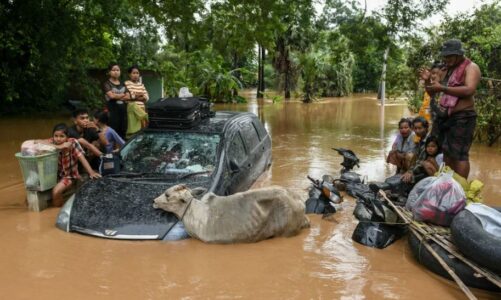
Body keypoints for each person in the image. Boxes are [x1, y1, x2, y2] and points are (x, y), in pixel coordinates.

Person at [423, 39, 481, 179]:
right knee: (446, 152)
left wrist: (443, 88)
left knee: (459, 155)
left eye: (450, 56)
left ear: (459, 54)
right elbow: (432, 92)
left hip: (463, 117)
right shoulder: (445, 70)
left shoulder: (471, 67)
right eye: (445, 56)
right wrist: (426, 81)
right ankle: (447, 185)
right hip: (444, 116)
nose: (447, 59)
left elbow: (469, 90)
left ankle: (461, 189)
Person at [47, 123, 101, 206]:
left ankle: (57, 213)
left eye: (62, 136)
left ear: (67, 137)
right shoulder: (52, 142)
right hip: (56, 176)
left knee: (56, 191)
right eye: (56, 136)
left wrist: (91, 172)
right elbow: (31, 143)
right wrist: (58, 147)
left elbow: (81, 158)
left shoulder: (73, 143)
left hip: (70, 176)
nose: (58, 139)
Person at [104, 63, 130, 139]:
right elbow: (111, 96)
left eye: (118, 70)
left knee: (123, 133)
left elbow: (128, 97)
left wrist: (116, 96)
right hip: (112, 113)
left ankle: (120, 150)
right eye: (113, 70)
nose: (116, 72)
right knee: (113, 133)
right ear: (109, 72)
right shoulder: (107, 84)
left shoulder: (123, 83)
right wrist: (122, 95)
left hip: (123, 113)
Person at [401, 117, 430, 183]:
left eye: (420, 128)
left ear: (426, 128)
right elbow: (417, 157)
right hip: (422, 166)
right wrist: (409, 171)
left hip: (429, 169)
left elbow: (421, 161)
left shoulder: (429, 141)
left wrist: (411, 172)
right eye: (415, 128)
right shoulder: (421, 139)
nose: (417, 131)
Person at [125, 66, 149, 138]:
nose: (135, 75)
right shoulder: (127, 83)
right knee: (135, 129)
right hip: (133, 110)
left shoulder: (141, 85)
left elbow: (147, 97)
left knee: (142, 128)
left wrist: (136, 96)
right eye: (133, 73)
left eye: (137, 73)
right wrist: (140, 95)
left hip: (142, 109)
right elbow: (130, 96)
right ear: (129, 74)